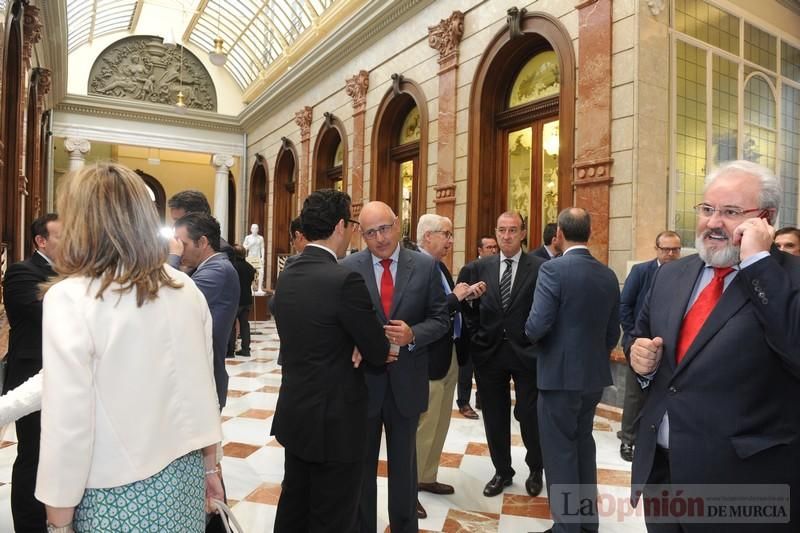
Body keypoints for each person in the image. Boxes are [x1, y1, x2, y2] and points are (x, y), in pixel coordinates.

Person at [34, 162, 222, 533]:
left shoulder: (71, 298)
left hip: (115, 492)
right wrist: (211, 468)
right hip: (184, 479)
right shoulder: (184, 287)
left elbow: (67, 423)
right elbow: (204, 389)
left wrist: (58, 522)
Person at [629, 160, 800, 532]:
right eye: (707, 209)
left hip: (742, 484)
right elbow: (641, 340)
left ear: (766, 218)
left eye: (731, 212)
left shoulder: (788, 278)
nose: (712, 222)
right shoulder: (671, 275)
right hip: (662, 473)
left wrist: (756, 261)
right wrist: (640, 361)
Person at [271, 189, 389, 532]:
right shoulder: (344, 279)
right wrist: (360, 341)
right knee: (333, 514)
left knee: (294, 505)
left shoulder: (289, 274)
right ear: (341, 225)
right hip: (336, 422)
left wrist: (352, 339)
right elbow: (379, 352)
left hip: (296, 413)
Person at [341, 201, 448, 533]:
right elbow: (339, 322)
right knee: (362, 469)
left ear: (398, 224)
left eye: (385, 228)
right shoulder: (348, 267)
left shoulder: (425, 267)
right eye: (370, 232)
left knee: (404, 468)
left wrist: (413, 334)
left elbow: (441, 319)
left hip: (407, 382)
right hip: (363, 384)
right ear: (361, 233)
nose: (380, 238)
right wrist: (356, 342)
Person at [525, 207, 620, 533]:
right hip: (592, 377)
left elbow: (537, 325)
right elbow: (613, 333)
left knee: (560, 452)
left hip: (558, 378)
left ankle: (567, 527)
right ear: (589, 233)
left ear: (559, 235)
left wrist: (532, 337)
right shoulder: (607, 274)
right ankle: (586, 523)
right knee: (583, 447)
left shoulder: (553, 270)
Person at [459, 212, 545, 498]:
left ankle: (535, 468)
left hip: (527, 353)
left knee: (531, 416)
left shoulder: (540, 267)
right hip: (490, 353)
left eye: (513, 230)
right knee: (494, 416)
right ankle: (502, 471)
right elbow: (468, 309)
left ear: (523, 233)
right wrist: (476, 336)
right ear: (495, 234)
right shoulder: (479, 268)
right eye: (501, 230)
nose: (506, 236)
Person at [414, 215, 486, 519]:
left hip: (449, 354)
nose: (450, 240)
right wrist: (455, 298)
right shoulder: (416, 267)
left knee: (440, 421)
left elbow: (446, 304)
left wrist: (466, 298)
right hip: (429, 357)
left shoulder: (438, 266)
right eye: (446, 234)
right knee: (423, 426)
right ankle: (409, 488)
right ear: (428, 236)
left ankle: (427, 477)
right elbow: (420, 313)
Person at [2, 213, 60, 532]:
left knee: (57, 452)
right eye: (62, 237)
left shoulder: (71, 274)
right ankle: (29, 524)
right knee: (33, 454)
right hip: (32, 375)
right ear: (41, 240)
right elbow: (48, 314)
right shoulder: (22, 272)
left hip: (65, 377)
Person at [617, 230, 682, 462]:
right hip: (641, 343)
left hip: (671, 346)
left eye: (675, 249)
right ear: (657, 249)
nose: (671, 254)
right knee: (635, 394)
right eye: (666, 249)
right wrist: (633, 338)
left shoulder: (684, 274)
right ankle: (627, 439)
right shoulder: (642, 271)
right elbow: (624, 305)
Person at [171, 213, 240, 409]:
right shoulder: (205, 268)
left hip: (205, 376)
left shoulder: (218, 270)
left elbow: (172, 299)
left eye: (182, 244)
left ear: (202, 242)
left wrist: (173, 258)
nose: (179, 249)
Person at [455, 235, 498, 419]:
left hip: (490, 327)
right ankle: (463, 402)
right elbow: (458, 299)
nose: (493, 250)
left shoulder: (498, 267)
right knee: (467, 368)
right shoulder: (470, 268)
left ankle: (482, 398)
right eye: (489, 247)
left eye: (495, 247)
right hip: (470, 327)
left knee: (487, 366)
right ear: (480, 250)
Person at [167, 189, 234, 260]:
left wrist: (174, 257)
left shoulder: (222, 250)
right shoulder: (178, 244)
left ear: (198, 217)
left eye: (178, 221)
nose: (174, 226)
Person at [228, 244, 256, 357]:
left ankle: (230, 351)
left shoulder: (232, 266)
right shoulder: (250, 267)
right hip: (247, 299)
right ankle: (246, 349)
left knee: (231, 325)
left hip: (236, 300)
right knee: (245, 325)